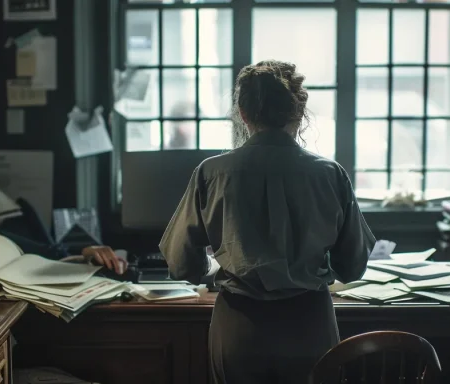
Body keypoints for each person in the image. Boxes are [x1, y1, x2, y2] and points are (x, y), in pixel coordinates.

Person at [159, 60, 376, 384]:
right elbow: (353, 265)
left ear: (243, 114)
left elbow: (180, 263)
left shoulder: (211, 172)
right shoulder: (330, 174)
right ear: (298, 113)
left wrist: (214, 267)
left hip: (239, 326)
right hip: (309, 323)